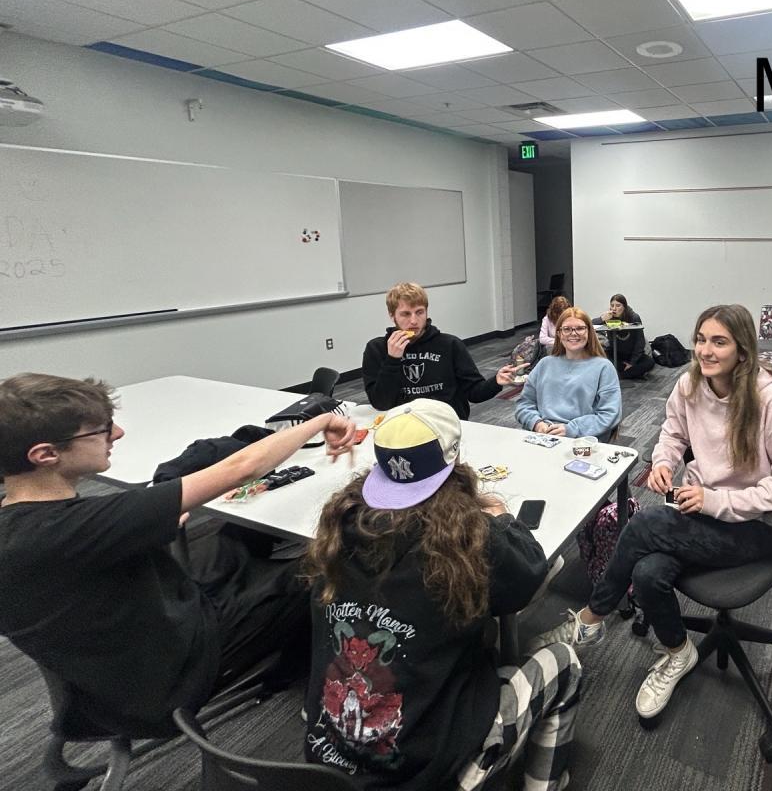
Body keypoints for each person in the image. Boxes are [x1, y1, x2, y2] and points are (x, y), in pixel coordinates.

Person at [0, 372, 356, 736]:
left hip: (128, 650)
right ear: (45, 454)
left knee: (234, 536)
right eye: (102, 430)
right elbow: (242, 469)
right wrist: (320, 421)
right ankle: (311, 685)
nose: (117, 434)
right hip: (173, 674)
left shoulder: (22, 525)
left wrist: (150, 518)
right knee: (334, 565)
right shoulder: (73, 528)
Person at [531, 304, 772, 719]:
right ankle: (679, 652)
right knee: (647, 574)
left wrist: (716, 501)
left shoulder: (771, 400)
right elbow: (672, 433)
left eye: (719, 342)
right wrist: (663, 461)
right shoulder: (689, 384)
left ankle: (591, 617)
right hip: (699, 513)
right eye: (701, 339)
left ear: (742, 350)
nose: (705, 350)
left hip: (752, 528)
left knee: (646, 522)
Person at [302, 399, 579, 790]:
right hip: (420, 776)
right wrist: (501, 517)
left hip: (326, 760)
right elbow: (529, 575)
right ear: (455, 459)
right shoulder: (470, 538)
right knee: (565, 663)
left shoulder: (340, 527)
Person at [363, 282, 517, 419]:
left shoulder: (450, 345)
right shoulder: (376, 349)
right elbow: (381, 403)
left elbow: (474, 392)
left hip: (446, 423)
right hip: (402, 424)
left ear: (426, 312)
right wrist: (392, 360)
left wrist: (496, 382)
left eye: (419, 312)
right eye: (405, 314)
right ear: (392, 316)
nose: (414, 321)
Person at [515, 306, 622, 439]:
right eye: (567, 329)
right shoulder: (544, 364)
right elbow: (524, 403)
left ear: (589, 332)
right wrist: (536, 423)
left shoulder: (604, 368)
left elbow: (610, 414)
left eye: (580, 328)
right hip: (542, 436)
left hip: (581, 440)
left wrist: (571, 429)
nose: (573, 333)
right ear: (559, 334)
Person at [592, 293, 654, 380]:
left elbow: (639, 342)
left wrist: (632, 363)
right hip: (616, 353)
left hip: (631, 354)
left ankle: (620, 375)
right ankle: (631, 373)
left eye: (618, 306)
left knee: (649, 362)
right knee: (599, 356)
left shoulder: (634, 317)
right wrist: (601, 319)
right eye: (612, 305)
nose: (614, 308)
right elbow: (589, 324)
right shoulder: (609, 317)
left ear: (624, 307)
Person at [535, 295, 571, 364]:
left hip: (569, 345)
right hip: (554, 346)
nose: (563, 316)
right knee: (550, 349)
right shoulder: (547, 319)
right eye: (561, 314)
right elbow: (542, 339)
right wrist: (559, 342)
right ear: (555, 313)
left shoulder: (571, 318)